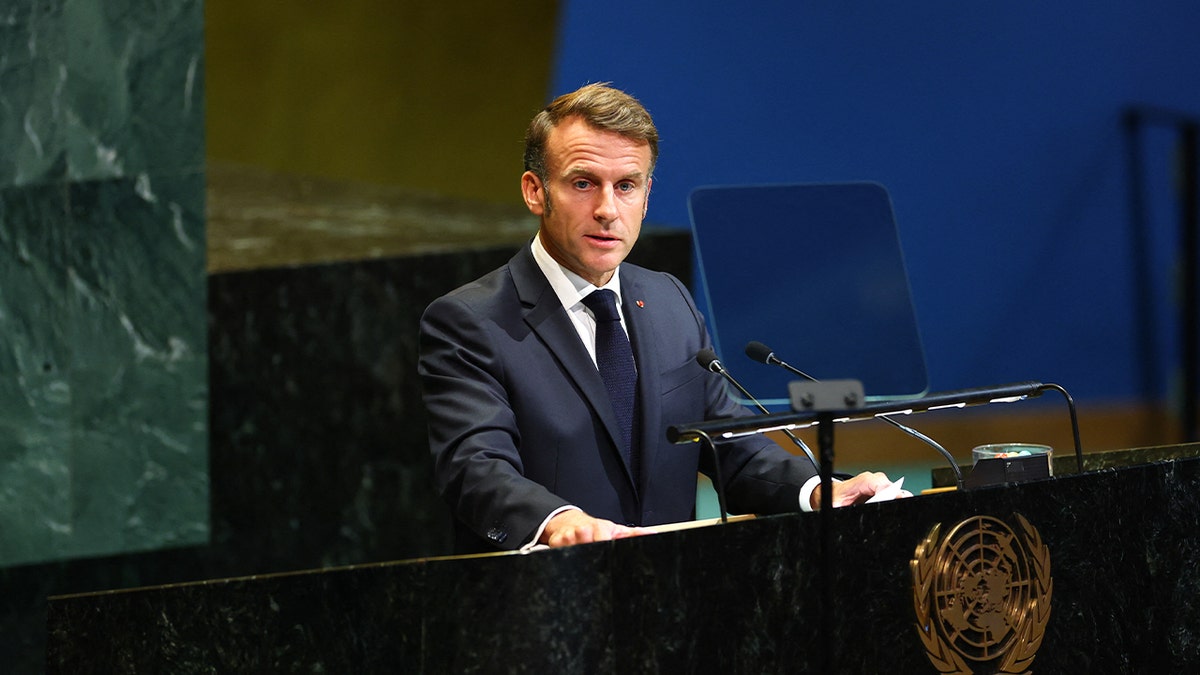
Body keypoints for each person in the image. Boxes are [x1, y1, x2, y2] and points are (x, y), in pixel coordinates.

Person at [419, 83, 903, 553]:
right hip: (547, 602)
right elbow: (475, 468)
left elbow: (728, 444)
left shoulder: (668, 299)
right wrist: (558, 522)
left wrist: (819, 490)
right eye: (583, 183)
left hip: (671, 596)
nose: (608, 210)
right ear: (535, 192)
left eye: (626, 186)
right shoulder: (470, 322)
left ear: (647, 197)